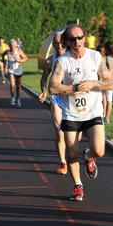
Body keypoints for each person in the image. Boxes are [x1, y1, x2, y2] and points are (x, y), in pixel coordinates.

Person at [49, 24, 113, 202]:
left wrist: (94, 83)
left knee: (99, 151)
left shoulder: (95, 57)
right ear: (67, 42)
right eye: (72, 39)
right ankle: (78, 186)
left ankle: (89, 156)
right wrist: (74, 88)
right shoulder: (63, 61)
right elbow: (53, 87)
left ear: (85, 38)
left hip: (93, 111)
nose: (77, 42)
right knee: (70, 153)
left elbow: (110, 83)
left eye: (79, 38)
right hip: (71, 113)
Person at [39, 31, 69, 174]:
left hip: (72, 98)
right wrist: (44, 91)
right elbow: (44, 78)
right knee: (60, 132)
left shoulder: (73, 57)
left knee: (77, 134)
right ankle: (63, 162)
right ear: (52, 44)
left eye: (61, 42)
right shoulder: (50, 61)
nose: (59, 46)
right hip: (57, 98)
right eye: (56, 43)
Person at [2, 39, 28, 108]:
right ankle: (13, 97)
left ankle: (18, 98)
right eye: (11, 45)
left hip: (18, 70)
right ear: (9, 45)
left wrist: (19, 60)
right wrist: (5, 63)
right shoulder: (7, 52)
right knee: (12, 83)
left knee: (19, 86)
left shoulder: (19, 51)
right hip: (11, 70)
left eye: (14, 45)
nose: (12, 47)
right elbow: (3, 55)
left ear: (16, 46)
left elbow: (26, 58)